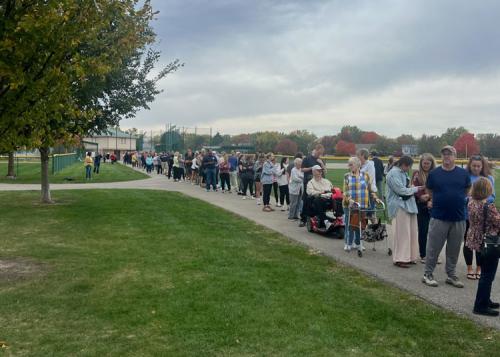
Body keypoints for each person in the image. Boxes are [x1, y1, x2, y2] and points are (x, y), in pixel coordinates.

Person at [422, 145, 471, 288]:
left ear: (455, 156)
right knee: (433, 248)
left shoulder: (463, 174)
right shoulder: (435, 174)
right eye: (444, 154)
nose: (447, 157)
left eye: (449, 154)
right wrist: (438, 200)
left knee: (454, 249)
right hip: (439, 216)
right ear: (441, 157)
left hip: (458, 217)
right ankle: (428, 274)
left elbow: (467, 189)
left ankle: (451, 275)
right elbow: (429, 189)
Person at [467, 178, 500, 316]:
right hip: (490, 242)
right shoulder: (488, 206)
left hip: (477, 240)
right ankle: (480, 305)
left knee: (485, 274)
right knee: (488, 275)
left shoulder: (471, 203)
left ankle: (485, 299)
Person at [386, 156, 423, 268]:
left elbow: (406, 188)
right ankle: (400, 258)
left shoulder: (402, 173)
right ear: (403, 164)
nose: (409, 169)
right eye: (408, 166)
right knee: (402, 233)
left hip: (408, 205)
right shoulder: (393, 174)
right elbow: (401, 191)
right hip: (399, 205)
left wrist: (412, 188)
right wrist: (417, 189)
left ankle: (410, 256)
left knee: (411, 232)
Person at [463, 155, 496, 280]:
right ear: (470, 165)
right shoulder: (465, 177)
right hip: (468, 215)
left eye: (478, 166)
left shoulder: (489, 178)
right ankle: (469, 268)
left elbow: (492, 196)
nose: (476, 168)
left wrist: (481, 198)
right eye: (474, 166)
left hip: (484, 217)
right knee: (468, 242)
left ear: (482, 166)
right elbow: (462, 196)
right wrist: (471, 199)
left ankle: (479, 268)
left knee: (481, 244)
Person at [343, 157, 380, 252]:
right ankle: (348, 243)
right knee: (350, 225)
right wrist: (349, 199)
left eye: (351, 164)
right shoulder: (347, 176)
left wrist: (375, 197)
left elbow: (370, 189)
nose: (349, 166)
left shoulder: (366, 175)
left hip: (362, 205)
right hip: (350, 205)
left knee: (360, 225)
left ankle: (358, 243)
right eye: (349, 164)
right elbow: (345, 191)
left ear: (358, 165)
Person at [412, 153, 436, 263]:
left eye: (428, 163)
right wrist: (422, 196)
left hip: (434, 204)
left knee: (435, 232)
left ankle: (433, 254)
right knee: (423, 230)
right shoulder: (417, 174)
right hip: (421, 206)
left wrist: (431, 198)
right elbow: (414, 187)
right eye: (424, 163)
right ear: (421, 163)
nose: (426, 165)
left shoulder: (435, 174)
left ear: (432, 164)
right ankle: (423, 254)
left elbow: (439, 188)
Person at [300, 144, 326, 226]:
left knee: (318, 200)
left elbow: (325, 172)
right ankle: (303, 219)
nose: (320, 154)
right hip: (308, 182)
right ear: (316, 149)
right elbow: (302, 169)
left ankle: (316, 217)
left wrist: (321, 164)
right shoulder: (307, 159)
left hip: (318, 183)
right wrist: (312, 168)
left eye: (321, 153)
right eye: (319, 152)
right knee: (306, 200)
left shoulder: (320, 160)